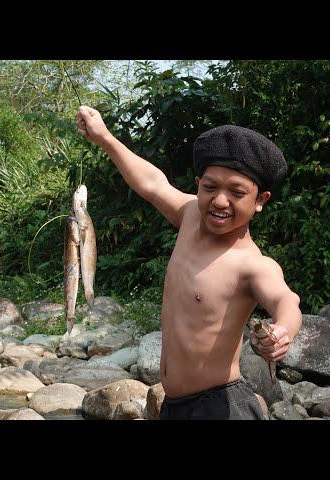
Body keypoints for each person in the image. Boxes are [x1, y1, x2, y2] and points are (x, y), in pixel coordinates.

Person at [76, 106, 302, 420]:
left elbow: (286, 300)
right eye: (210, 187)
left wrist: (282, 333)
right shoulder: (190, 215)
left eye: (237, 192)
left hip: (221, 407)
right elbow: (153, 184)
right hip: (174, 406)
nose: (220, 201)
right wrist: (105, 139)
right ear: (198, 184)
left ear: (260, 200)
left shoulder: (252, 264)